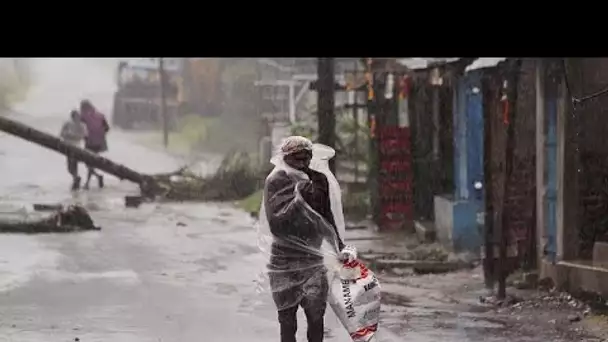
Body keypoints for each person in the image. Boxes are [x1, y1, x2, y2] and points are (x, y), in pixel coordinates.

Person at [263, 136, 355, 342]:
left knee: (315, 318)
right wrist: (299, 200)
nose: (302, 164)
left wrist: (340, 246)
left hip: (312, 261)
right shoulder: (276, 181)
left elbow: (326, 216)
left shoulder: (318, 180)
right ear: (285, 158)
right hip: (283, 262)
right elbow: (276, 225)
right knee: (287, 322)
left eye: (307, 158)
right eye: (297, 159)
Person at [79, 99, 110, 190]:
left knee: (89, 162)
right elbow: (107, 128)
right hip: (98, 142)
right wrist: (100, 134)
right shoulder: (100, 115)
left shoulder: (83, 116)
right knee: (91, 162)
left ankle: (89, 182)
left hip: (89, 142)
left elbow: (78, 126)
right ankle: (96, 178)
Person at [60, 110, 88, 190]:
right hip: (73, 146)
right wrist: (75, 136)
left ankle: (76, 178)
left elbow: (62, 134)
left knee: (71, 165)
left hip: (72, 146)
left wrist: (71, 135)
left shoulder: (80, 125)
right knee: (72, 165)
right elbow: (62, 134)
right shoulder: (72, 124)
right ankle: (76, 178)